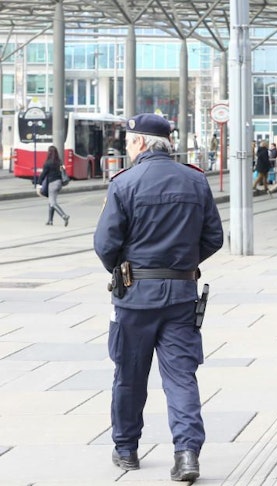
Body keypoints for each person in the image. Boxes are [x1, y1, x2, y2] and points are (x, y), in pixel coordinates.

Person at [93, 113, 224, 482]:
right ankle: (186, 455)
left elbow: (105, 245)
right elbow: (214, 238)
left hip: (134, 298)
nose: (128, 148)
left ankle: (127, 450)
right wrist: (182, 264)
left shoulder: (124, 184)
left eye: (130, 142)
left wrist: (128, 271)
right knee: (181, 377)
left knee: (129, 376)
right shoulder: (195, 181)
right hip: (182, 294)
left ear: (139, 144)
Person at [36, 145, 70, 226]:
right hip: (59, 183)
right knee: (51, 201)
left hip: (52, 184)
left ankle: (64, 216)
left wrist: (38, 184)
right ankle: (50, 220)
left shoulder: (48, 163)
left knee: (53, 202)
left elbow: (43, 175)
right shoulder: (59, 162)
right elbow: (63, 171)